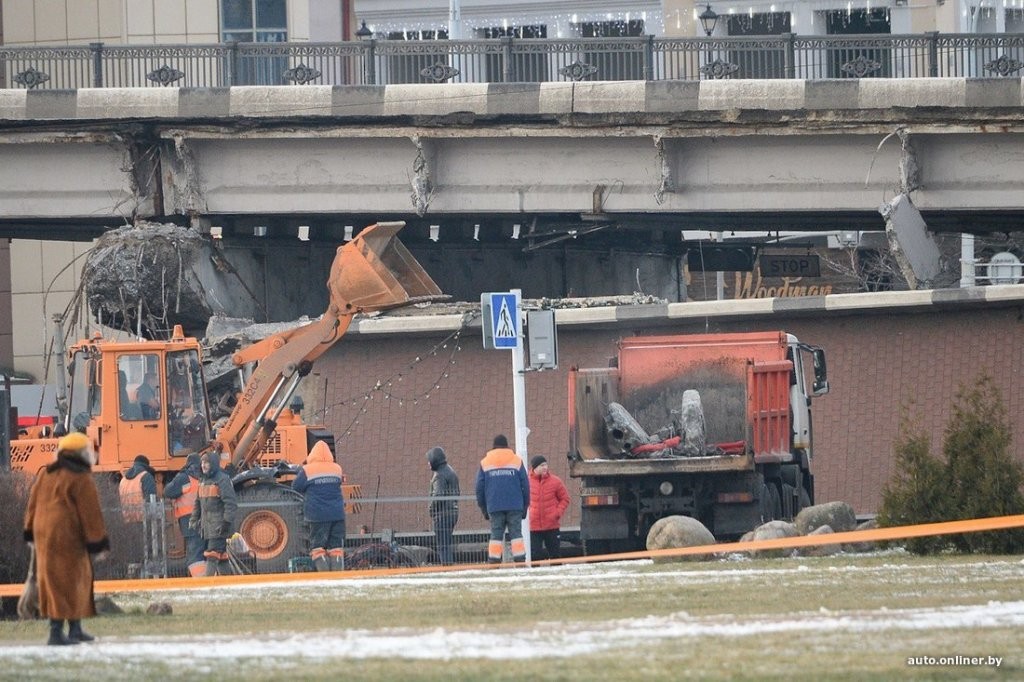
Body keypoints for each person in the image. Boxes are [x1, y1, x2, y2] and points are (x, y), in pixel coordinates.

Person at [22, 432, 110, 646]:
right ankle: (58, 632)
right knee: (73, 581)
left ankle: (73, 628)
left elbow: (33, 504)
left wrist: (30, 531)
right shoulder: (80, 477)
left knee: (54, 581)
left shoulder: (46, 473)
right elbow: (90, 512)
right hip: (68, 536)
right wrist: (98, 542)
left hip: (44, 535)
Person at [292, 441, 347, 571]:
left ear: (312, 454)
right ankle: (337, 576)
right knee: (336, 548)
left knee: (317, 548)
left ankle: (324, 575)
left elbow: (296, 487)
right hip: (337, 514)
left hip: (317, 515)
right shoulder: (337, 468)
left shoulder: (307, 470)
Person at [475, 434, 530, 564]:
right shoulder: (517, 461)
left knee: (496, 535)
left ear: (493, 446)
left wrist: (484, 508)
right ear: (507, 445)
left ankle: (494, 562)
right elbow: (526, 486)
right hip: (515, 505)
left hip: (494, 506)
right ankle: (520, 561)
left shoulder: (485, 462)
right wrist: (525, 506)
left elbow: (479, 488)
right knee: (516, 535)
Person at [189, 451, 238, 576]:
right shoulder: (203, 480)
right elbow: (198, 503)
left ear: (213, 464)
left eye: (206, 462)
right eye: (202, 462)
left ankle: (207, 582)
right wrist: (193, 520)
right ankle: (227, 582)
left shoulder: (222, 480)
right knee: (221, 557)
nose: (203, 465)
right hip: (208, 527)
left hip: (219, 526)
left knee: (212, 553)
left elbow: (231, 503)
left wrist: (226, 523)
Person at [163, 453, 205, 577]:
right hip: (206, 518)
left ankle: (199, 579)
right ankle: (208, 577)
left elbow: (168, 492)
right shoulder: (206, 476)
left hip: (189, 519)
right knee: (204, 550)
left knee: (194, 551)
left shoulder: (184, 477)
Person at [528, 455, 570, 561]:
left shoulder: (555, 481)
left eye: (546, 465)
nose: (545, 467)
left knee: (555, 555)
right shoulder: (527, 482)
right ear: (534, 468)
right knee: (535, 556)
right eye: (542, 465)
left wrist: (557, 513)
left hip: (552, 526)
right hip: (533, 527)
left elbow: (565, 499)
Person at [426, 446, 460, 565]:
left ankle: (446, 567)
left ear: (435, 460)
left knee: (442, 546)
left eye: (429, 461)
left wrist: (431, 509)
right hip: (452, 512)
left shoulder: (439, 475)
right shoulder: (450, 471)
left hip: (442, 515)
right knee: (447, 543)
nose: (428, 464)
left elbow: (438, 495)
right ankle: (448, 566)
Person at [118, 454, 157, 524]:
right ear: (147, 465)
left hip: (127, 520)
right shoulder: (146, 477)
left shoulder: (123, 480)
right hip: (143, 520)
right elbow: (151, 500)